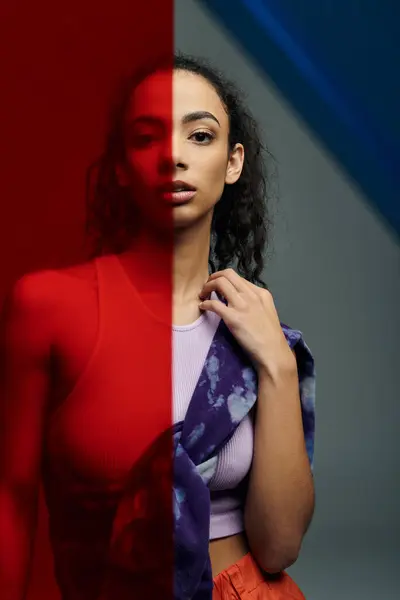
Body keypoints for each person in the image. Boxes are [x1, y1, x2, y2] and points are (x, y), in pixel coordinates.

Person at [0, 53, 316, 599]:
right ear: (121, 165)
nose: (174, 156)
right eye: (148, 138)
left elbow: (279, 545)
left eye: (200, 136)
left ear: (233, 162)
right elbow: (12, 499)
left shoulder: (257, 327)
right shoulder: (48, 306)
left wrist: (277, 366)